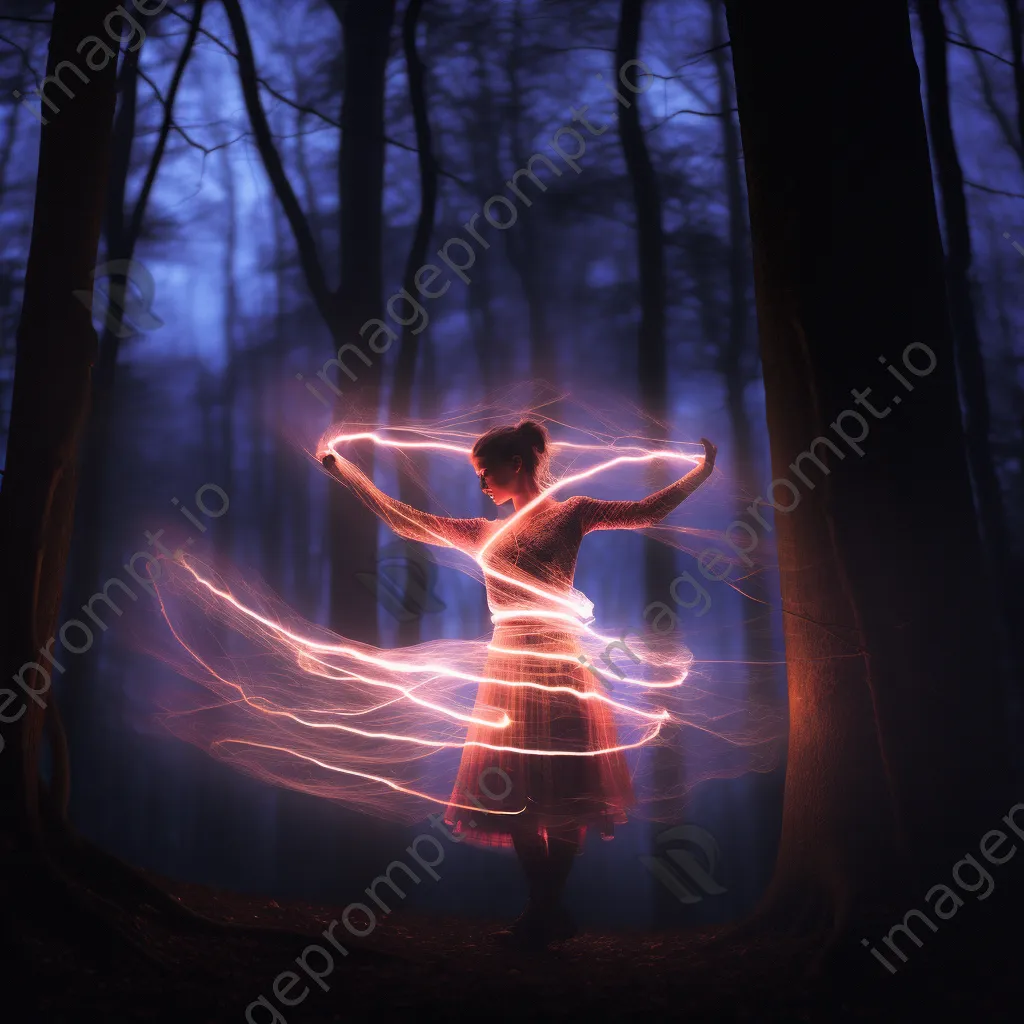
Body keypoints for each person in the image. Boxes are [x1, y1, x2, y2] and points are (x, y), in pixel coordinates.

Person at [319, 421, 716, 948]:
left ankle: (542, 912)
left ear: (518, 464)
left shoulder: (573, 512)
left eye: (487, 470)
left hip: (559, 666)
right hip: (507, 670)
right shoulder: (484, 532)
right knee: (516, 795)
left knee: (569, 793)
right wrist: (347, 473)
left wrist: (701, 473)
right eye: (479, 474)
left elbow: (647, 511)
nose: (482, 482)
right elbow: (407, 521)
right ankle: (548, 912)